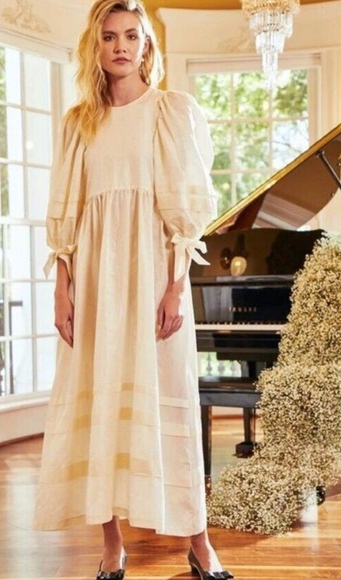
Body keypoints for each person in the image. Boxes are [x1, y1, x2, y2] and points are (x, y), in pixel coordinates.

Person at [35, 1, 234, 579]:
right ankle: (111, 546)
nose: (120, 46)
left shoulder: (172, 111)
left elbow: (185, 215)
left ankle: (199, 543)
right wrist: (62, 289)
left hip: (153, 280)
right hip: (95, 283)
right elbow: (66, 216)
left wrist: (176, 287)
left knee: (171, 395)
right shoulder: (78, 123)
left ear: (147, 45)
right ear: (94, 47)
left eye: (131, 35)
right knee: (100, 402)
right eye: (108, 37)